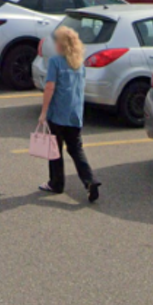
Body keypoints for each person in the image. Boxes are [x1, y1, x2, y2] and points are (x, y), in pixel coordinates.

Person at [36, 26, 100, 202]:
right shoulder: (79, 63)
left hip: (58, 113)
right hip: (75, 113)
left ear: (61, 44)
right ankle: (90, 180)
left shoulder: (56, 62)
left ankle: (56, 183)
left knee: (54, 150)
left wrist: (43, 112)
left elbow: (50, 86)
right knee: (76, 149)